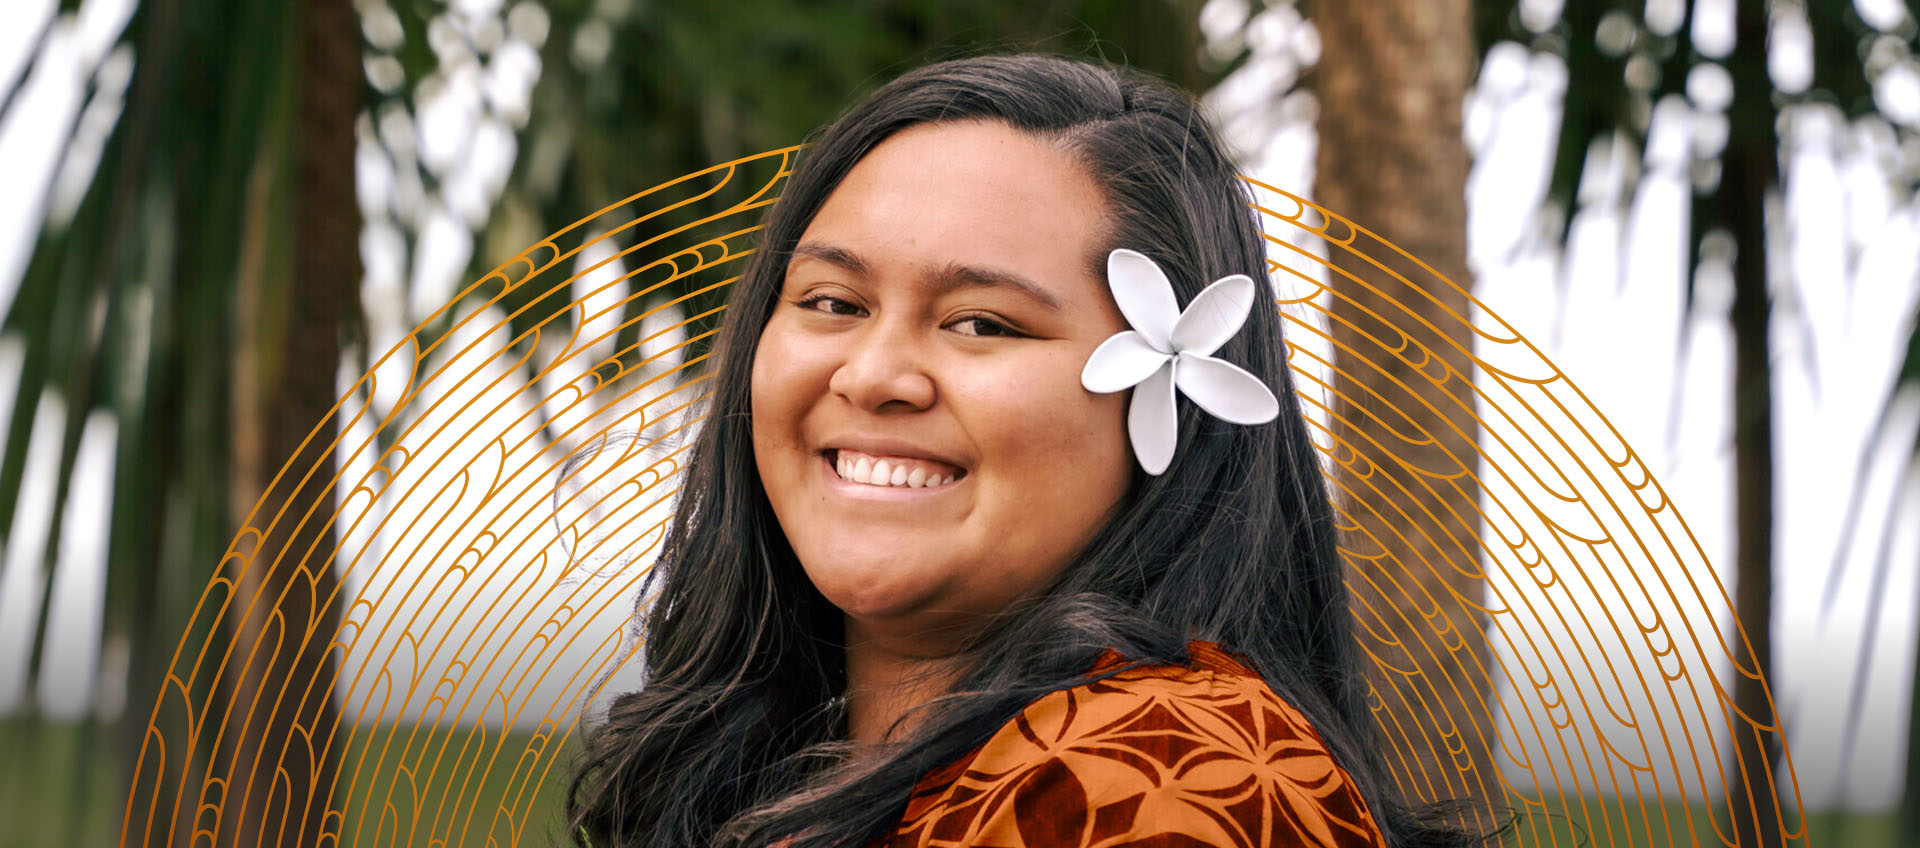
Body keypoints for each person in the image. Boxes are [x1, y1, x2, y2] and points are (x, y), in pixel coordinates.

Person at [566, 52, 1496, 847]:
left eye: (981, 323)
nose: (875, 374)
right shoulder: (767, 763)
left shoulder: (1160, 779)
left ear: (1174, 384)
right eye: (831, 303)